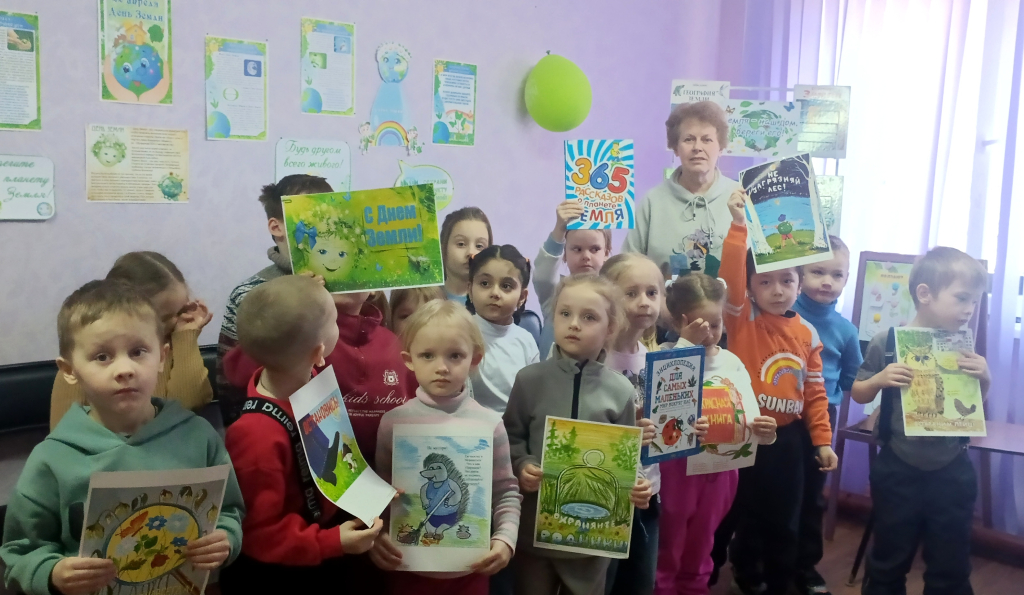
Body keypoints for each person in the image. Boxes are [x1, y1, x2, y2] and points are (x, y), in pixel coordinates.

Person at [1, 279, 243, 595]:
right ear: (70, 370)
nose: (124, 369)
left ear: (162, 357)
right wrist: (52, 572)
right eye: (102, 356)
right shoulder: (52, 459)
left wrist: (226, 539)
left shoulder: (199, 437)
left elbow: (229, 511)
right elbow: (19, 552)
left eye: (138, 351)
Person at [219, 276, 384, 592]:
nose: (339, 325)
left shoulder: (312, 376)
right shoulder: (254, 436)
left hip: (323, 532)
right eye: (334, 321)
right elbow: (259, 533)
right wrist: (333, 542)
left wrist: (370, 491)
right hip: (285, 571)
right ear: (319, 351)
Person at [503, 274, 656, 595]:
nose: (574, 324)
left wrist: (638, 482)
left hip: (593, 538)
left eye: (589, 317)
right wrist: (522, 464)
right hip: (535, 530)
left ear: (610, 328)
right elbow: (510, 437)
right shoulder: (529, 380)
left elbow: (627, 456)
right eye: (565, 313)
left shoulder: (620, 390)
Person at [851, 247, 989, 595]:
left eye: (974, 302)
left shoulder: (963, 347)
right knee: (888, 559)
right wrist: (880, 378)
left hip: (952, 469)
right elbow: (858, 392)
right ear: (925, 294)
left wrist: (985, 378)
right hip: (898, 467)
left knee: (951, 565)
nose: (969, 310)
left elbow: (971, 405)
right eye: (962, 298)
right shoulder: (886, 341)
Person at [721, 191, 837, 595]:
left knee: (785, 518)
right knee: (743, 514)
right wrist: (738, 226)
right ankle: (745, 573)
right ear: (751, 289)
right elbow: (731, 276)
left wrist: (822, 441)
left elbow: (816, 394)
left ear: (799, 284)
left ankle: (782, 583)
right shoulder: (742, 320)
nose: (777, 290)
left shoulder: (808, 333)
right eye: (765, 281)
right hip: (744, 435)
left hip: (787, 441)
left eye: (786, 280)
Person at [373, 300, 522, 595]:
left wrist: (505, 539)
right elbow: (378, 493)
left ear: (475, 359)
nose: (441, 367)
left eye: (455, 355)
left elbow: (506, 492)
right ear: (409, 360)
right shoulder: (393, 423)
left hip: (471, 571)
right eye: (427, 355)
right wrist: (376, 535)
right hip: (406, 569)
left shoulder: (490, 424)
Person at [656, 273, 777, 595]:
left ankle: (695, 587)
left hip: (721, 470)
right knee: (669, 541)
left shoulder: (731, 362)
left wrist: (765, 432)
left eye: (716, 324)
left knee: (703, 541)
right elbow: (663, 403)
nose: (709, 333)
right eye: (700, 326)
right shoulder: (666, 356)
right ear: (679, 322)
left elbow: (749, 416)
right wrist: (686, 344)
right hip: (676, 470)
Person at [216, 174, 333, 425]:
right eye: (310, 216)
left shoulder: (347, 289)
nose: (322, 227)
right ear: (276, 227)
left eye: (329, 217)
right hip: (273, 425)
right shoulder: (251, 292)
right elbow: (230, 382)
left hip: (337, 425)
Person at [50, 251, 213, 429]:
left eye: (181, 311)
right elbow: (63, 431)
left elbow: (189, 403)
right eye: (166, 317)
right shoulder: (83, 365)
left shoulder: (175, 347)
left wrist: (187, 335)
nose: (178, 320)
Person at [791, 236, 863, 595]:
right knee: (773, 492)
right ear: (800, 273)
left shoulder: (846, 330)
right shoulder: (781, 313)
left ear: (847, 279)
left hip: (822, 416)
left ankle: (805, 568)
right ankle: (756, 563)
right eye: (817, 272)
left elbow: (851, 377)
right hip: (779, 414)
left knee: (812, 495)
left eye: (837, 275)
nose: (827, 282)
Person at [598, 253, 665, 595]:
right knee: (602, 582)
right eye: (631, 293)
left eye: (652, 293)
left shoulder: (656, 360)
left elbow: (665, 428)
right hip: (604, 494)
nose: (644, 302)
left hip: (647, 492)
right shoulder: (594, 359)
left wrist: (686, 428)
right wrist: (627, 433)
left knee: (640, 582)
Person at [622, 101, 741, 280]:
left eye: (707, 139)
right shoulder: (652, 202)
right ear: (676, 148)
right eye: (688, 139)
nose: (697, 147)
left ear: (721, 148)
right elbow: (627, 267)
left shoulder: (740, 198)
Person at [466, 245, 540, 414]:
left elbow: (533, 396)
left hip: (515, 427)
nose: (495, 293)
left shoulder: (526, 341)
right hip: (470, 425)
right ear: (470, 289)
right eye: (485, 283)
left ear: (522, 297)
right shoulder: (459, 333)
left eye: (506, 286)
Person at [534, 200, 613, 355]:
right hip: (552, 370)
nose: (586, 256)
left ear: (606, 253)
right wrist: (559, 230)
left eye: (594, 249)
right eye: (577, 249)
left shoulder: (611, 297)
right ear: (564, 254)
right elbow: (543, 277)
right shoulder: (555, 292)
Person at [440, 207, 493, 304]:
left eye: (479, 246)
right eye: (461, 244)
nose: (471, 253)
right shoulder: (422, 298)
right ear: (443, 247)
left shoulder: (494, 301)